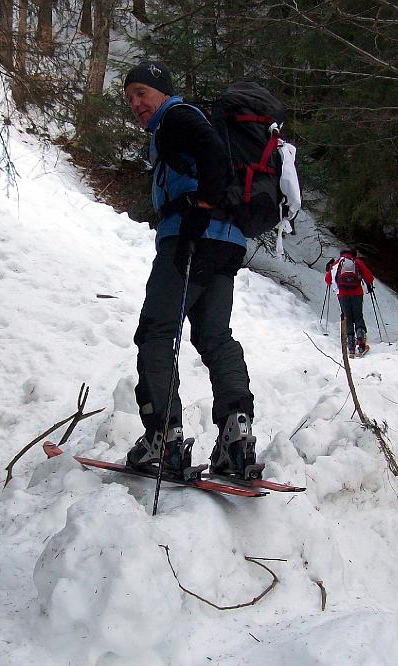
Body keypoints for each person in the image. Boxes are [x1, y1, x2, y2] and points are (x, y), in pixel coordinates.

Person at [122, 61, 260, 481]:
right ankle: (236, 436)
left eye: (142, 92)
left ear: (162, 91)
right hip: (226, 243)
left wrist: (198, 215)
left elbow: (212, 153)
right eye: (130, 98)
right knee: (214, 335)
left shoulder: (176, 118)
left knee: (157, 332)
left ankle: (163, 437)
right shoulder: (183, 121)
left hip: (191, 240)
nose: (136, 104)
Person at [325, 248, 376, 358]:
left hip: (342, 294)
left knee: (347, 317)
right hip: (357, 293)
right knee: (358, 316)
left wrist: (329, 269)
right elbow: (369, 278)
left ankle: (351, 346)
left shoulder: (337, 262)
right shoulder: (357, 262)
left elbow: (328, 280)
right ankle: (361, 343)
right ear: (354, 254)